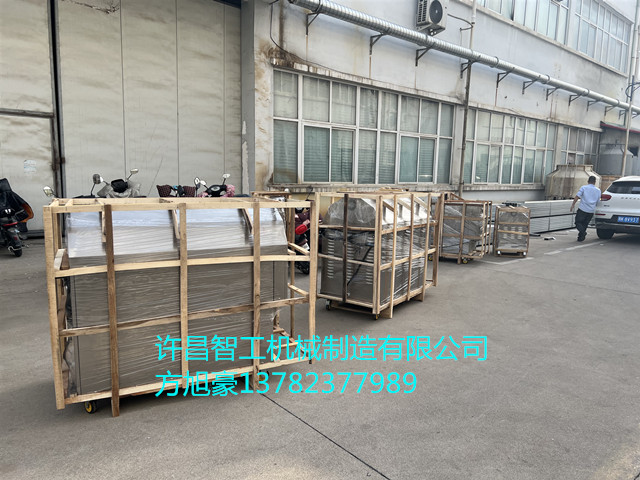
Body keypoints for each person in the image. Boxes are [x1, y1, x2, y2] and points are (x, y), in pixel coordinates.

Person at [570, 176, 601, 242]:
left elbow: (577, 196)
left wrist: (573, 204)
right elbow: (598, 201)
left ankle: (583, 232)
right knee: (585, 224)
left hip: (582, 209)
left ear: (588, 181)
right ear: (595, 182)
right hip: (591, 210)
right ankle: (580, 238)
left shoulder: (583, 188)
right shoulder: (598, 190)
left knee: (578, 222)